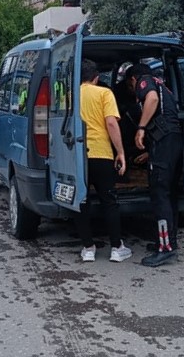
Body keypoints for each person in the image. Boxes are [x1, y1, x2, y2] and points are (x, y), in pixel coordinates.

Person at [126, 63, 183, 267]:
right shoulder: (162, 84)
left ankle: (165, 249)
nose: (134, 90)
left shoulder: (145, 81)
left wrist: (140, 128)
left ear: (133, 79)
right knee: (169, 194)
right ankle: (168, 241)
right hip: (172, 142)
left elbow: (152, 99)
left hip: (165, 143)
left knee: (159, 194)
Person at [75, 59, 132, 263]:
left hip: (78, 157)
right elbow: (111, 122)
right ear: (96, 78)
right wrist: (121, 153)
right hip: (101, 154)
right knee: (109, 202)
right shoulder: (104, 93)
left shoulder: (70, 95)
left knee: (82, 201)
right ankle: (117, 247)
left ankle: (88, 248)